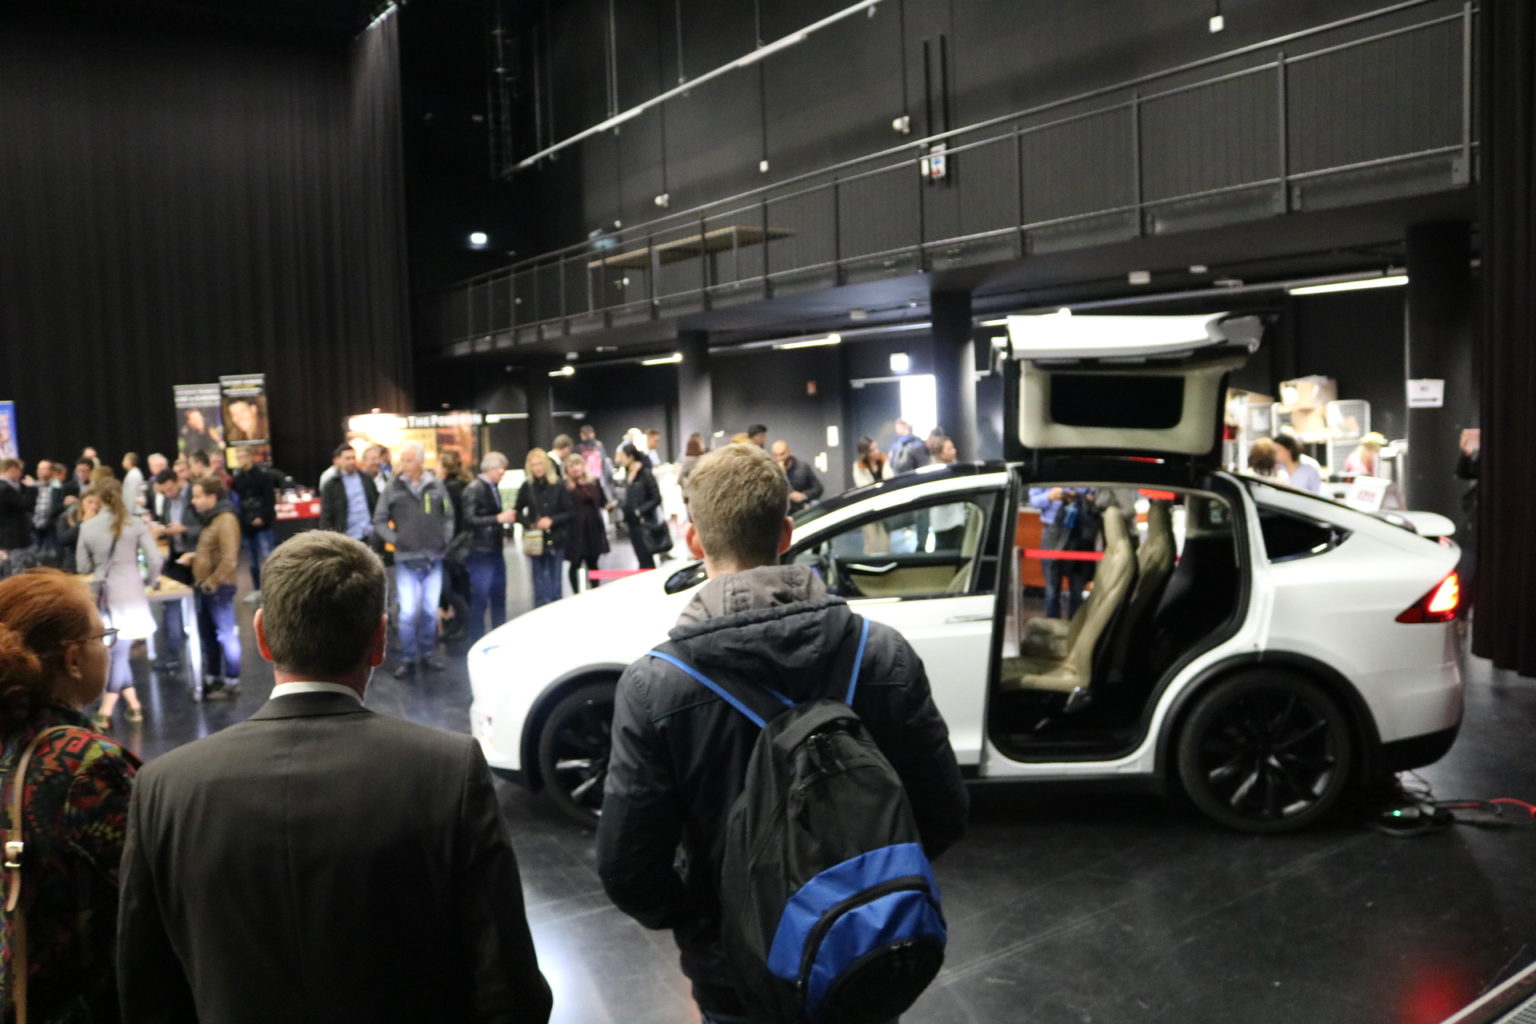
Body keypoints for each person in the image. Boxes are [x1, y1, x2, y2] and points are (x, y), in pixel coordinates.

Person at [597, 443, 968, 1024]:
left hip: (734, 975)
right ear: (787, 533)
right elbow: (943, 811)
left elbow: (629, 871)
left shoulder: (655, 686)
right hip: (861, 957)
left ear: (693, 540)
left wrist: (705, 917)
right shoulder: (881, 654)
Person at [116, 531, 552, 1024]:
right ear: (380, 639)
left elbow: (144, 991)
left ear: (262, 635)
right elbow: (509, 988)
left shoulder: (164, 788)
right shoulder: (448, 771)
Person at [0, 568, 140, 1023]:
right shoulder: (87, 766)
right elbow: (156, 890)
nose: (108, 648)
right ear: (73, 659)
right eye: (104, 636)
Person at [77, 481, 159, 731]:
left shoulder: (88, 526)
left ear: (98, 499)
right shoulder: (135, 524)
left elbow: (82, 566)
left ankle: (107, 710)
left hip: (103, 595)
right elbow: (155, 559)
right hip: (131, 591)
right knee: (120, 651)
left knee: (117, 650)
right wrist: (149, 581)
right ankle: (132, 705)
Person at [372, 443, 453, 677]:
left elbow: (448, 515)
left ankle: (427, 652)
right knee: (407, 612)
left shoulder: (436, 485)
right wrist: (396, 540)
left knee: (429, 610)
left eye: (408, 460)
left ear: (420, 462)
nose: (404, 464)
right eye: (403, 460)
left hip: (433, 557)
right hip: (406, 558)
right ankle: (408, 657)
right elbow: (379, 520)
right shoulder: (393, 488)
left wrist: (444, 539)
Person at [183, 475, 241, 701]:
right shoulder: (213, 518)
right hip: (206, 587)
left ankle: (232, 681)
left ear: (212, 497)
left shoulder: (226, 519)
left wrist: (212, 582)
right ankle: (214, 677)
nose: (193, 501)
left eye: (197, 496)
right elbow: (213, 551)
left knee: (225, 635)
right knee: (209, 637)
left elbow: (230, 558)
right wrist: (196, 558)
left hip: (219, 588)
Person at [148, 468, 199, 673]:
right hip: (176, 556)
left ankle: (201, 654)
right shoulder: (168, 501)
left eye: (170, 489)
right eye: (164, 491)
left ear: (177, 481)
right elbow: (168, 523)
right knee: (171, 605)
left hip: (196, 557)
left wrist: (184, 529)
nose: (168, 494)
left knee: (199, 608)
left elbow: (206, 527)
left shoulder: (195, 495)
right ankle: (173, 656)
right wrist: (163, 530)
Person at [462, 452, 516, 643]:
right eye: (501, 470)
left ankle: (498, 636)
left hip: (493, 549)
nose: (503, 474)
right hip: (480, 551)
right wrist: (497, 519)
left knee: (498, 596)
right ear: (492, 468)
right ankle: (477, 639)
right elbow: (469, 519)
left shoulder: (491, 487)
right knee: (480, 599)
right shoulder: (474, 489)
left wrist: (501, 530)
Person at [1028, 485, 1100, 620]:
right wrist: (1050, 496)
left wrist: (1082, 497)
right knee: (1051, 590)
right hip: (1052, 532)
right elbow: (1034, 501)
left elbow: (1095, 497)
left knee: (1077, 590)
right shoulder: (1046, 477)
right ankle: (1051, 626)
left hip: (1079, 534)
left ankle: (1075, 627)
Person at [516, 448, 571, 608]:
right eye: (533, 465)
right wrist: (530, 524)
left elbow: (569, 511)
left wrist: (552, 520)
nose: (537, 468)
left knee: (555, 583)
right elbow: (517, 512)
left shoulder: (558, 485)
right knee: (539, 583)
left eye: (539, 464)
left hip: (556, 537)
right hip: (536, 541)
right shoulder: (527, 486)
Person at [232, 448, 279, 598]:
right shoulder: (237, 478)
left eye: (242, 456)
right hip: (246, 525)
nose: (240, 459)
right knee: (251, 560)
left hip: (263, 523)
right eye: (238, 457)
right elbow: (237, 501)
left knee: (268, 556)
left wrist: (262, 517)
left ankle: (274, 588)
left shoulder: (263, 475)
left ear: (250, 457)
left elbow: (270, 499)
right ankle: (257, 589)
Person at [563, 452, 609, 593]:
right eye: (571, 466)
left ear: (583, 466)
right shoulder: (565, 487)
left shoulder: (594, 482)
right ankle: (576, 593)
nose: (575, 468)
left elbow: (603, 502)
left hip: (593, 528)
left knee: (593, 563)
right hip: (575, 531)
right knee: (575, 564)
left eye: (577, 464)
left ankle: (596, 590)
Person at [616, 442, 663, 570]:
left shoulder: (645, 474)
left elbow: (656, 498)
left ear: (630, 457)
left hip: (644, 523)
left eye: (623, 456)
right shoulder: (628, 474)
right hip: (631, 522)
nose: (620, 460)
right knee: (640, 557)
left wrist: (640, 511)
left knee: (647, 558)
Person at [927, 437, 966, 549]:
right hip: (944, 524)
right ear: (940, 453)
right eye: (949, 448)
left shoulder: (954, 468)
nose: (954, 451)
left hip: (956, 521)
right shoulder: (934, 473)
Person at [769, 440, 824, 514]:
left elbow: (818, 488)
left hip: (800, 511)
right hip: (780, 513)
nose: (779, 458)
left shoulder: (802, 467)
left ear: (789, 451)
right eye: (776, 455)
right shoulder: (770, 470)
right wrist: (781, 474)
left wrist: (804, 496)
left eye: (782, 454)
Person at [56, 492, 100, 575]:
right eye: (90, 502)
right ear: (81, 502)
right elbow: (63, 540)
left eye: (97, 503)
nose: (93, 507)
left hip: (95, 565)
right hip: (73, 564)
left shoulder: (101, 519)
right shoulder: (67, 517)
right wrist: (81, 523)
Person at [0, 457, 36, 558]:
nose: (20, 475)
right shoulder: (6, 488)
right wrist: (31, 488)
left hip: (4, 536)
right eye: (19, 471)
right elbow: (26, 505)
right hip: (11, 537)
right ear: (13, 469)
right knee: (15, 564)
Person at [31, 458, 64, 557]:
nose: (40, 471)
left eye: (44, 469)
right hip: (34, 526)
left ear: (51, 471)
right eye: (39, 468)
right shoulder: (32, 487)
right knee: (33, 554)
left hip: (52, 526)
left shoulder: (58, 487)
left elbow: (60, 506)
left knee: (53, 555)